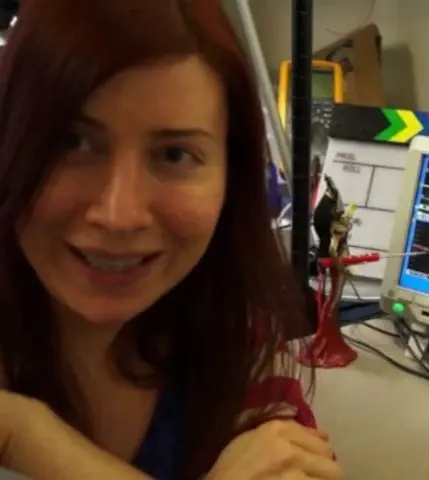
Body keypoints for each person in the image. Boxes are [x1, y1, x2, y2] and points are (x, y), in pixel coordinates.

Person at [0, 1, 343, 479]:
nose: (119, 215)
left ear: (232, 178)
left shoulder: (240, 347)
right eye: (71, 143)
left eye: (175, 155)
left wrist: (25, 433)